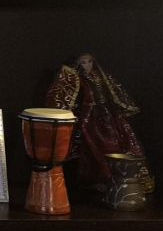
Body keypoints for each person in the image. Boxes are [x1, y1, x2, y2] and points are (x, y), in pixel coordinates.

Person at [45, 53, 145, 190]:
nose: (87, 65)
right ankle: (99, 178)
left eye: (89, 61)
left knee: (115, 141)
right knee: (93, 144)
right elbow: (65, 92)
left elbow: (111, 91)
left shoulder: (101, 76)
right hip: (89, 115)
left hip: (106, 113)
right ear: (79, 65)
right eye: (83, 62)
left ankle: (116, 176)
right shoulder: (78, 78)